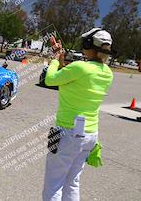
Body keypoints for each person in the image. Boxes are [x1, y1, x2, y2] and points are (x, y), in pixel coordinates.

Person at [42, 28, 114, 201]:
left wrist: (53, 61)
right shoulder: (107, 73)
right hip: (90, 135)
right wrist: (60, 56)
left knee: (53, 185)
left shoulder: (80, 67)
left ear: (89, 45)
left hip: (67, 132)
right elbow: (71, 76)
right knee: (72, 182)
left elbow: (50, 79)